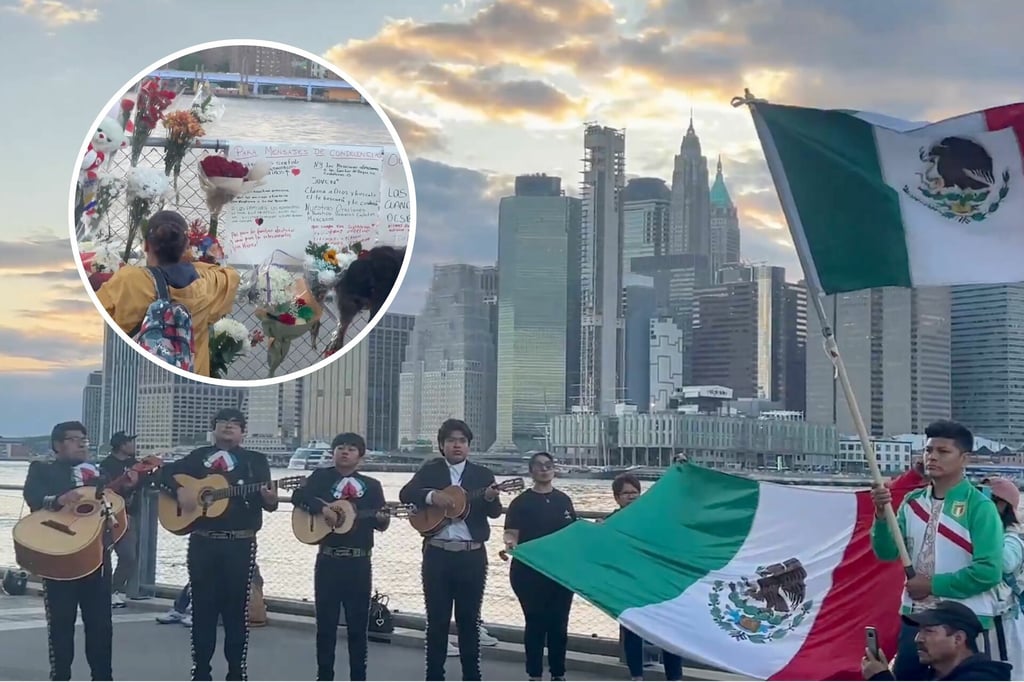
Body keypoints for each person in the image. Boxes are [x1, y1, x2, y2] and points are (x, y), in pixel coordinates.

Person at [870, 420, 1006, 680]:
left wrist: (933, 585)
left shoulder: (980, 507)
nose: (932, 457)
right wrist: (881, 515)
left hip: (965, 623)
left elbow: (988, 572)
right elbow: (886, 552)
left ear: (964, 458)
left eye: (943, 452)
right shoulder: (912, 502)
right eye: (928, 450)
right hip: (916, 619)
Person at [159, 408, 278, 681]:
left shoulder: (254, 461)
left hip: (240, 544)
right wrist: (180, 491)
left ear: (243, 433)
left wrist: (270, 499)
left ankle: (237, 672)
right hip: (203, 543)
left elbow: (267, 503)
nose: (229, 427)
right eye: (223, 422)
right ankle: (201, 671)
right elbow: (163, 475)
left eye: (236, 424)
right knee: (203, 609)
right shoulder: (198, 457)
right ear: (213, 428)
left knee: (237, 610)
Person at [399, 419, 502, 681]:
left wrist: (490, 497)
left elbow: (494, 512)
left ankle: (472, 676)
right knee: (437, 620)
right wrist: (433, 497)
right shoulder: (430, 470)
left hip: (472, 554)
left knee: (469, 620)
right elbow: (406, 493)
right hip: (437, 553)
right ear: (442, 445)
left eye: (462, 441)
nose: (457, 445)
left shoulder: (482, 475)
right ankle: (434, 675)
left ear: (468, 446)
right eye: (451, 441)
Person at [291, 432, 391, 681]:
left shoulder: (372, 485)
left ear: (361, 456)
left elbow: (381, 523)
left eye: (351, 449)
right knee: (325, 625)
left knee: (358, 627)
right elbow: (298, 496)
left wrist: (382, 518)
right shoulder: (321, 478)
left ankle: (359, 677)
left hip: (359, 561)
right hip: (328, 559)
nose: (345, 452)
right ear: (333, 453)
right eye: (340, 448)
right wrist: (323, 508)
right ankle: (324, 676)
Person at [96, 209, 240, 377]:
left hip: (141, 384)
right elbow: (232, 276)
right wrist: (190, 259)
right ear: (187, 246)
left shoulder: (128, 281)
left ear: (146, 245)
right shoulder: (207, 284)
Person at [22, 421, 112, 681]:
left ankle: (103, 677)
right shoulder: (42, 469)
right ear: (57, 445)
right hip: (59, 561)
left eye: (84, 438)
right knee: (61, 626)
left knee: (101, 627)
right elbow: (34, 498)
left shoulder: (99, 472)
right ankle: (60, 676)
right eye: (74, 439)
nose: (82, 443)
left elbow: (115, 504)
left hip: (96, 559)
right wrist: (59, 499)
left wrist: (128, 485)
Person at [502, 452, 577, 681]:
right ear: (531, 471)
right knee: (535, 623)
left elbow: (574, 534)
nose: (544, 469)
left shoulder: (563, 500)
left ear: (554, 469)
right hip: (529, 573)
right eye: (539, 466)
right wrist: (510, 545)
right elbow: (510, 534)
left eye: (548, 465)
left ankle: (558, 674)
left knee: (559, 625)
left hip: (561, 573)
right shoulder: (520, 503)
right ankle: (534, 674)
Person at [606, 473, 684, 681]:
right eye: (626, 493)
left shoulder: (654, 519)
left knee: (669, 632)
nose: (631, 497)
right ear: (616, 497)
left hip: (658, 585)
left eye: (635, 493)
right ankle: (636, 676)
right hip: (629, 586)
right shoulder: (610, 523)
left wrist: (679, 472)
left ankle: (674, 677)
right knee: (632, 632)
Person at [861, 601, 1011, 680]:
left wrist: (880, 678)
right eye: (919, 631)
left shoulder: (982, 679)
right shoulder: (929, 676)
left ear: (958, 639)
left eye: (929, 631)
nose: (918, 638)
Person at [324, 245, 405, 356]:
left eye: (363, 304)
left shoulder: (388, 284)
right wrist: (339, 336)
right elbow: (348, 306)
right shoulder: (367, 268)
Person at [981, 477, 1024, 675]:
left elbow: (1005, 563)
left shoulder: (1012, 538)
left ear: (1003, 505)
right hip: (981, 620)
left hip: (1005, 622)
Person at [99, 431, 145, 608]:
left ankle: (114, 590)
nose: (133, 445)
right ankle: (103, 592)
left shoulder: (135, 464)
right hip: (107, 515)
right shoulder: (106, 465)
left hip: (129, 515)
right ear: (121, 445)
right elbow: (105, 489)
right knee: (104, 555)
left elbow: (146, 481)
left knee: (128, 556)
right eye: (130, 442)